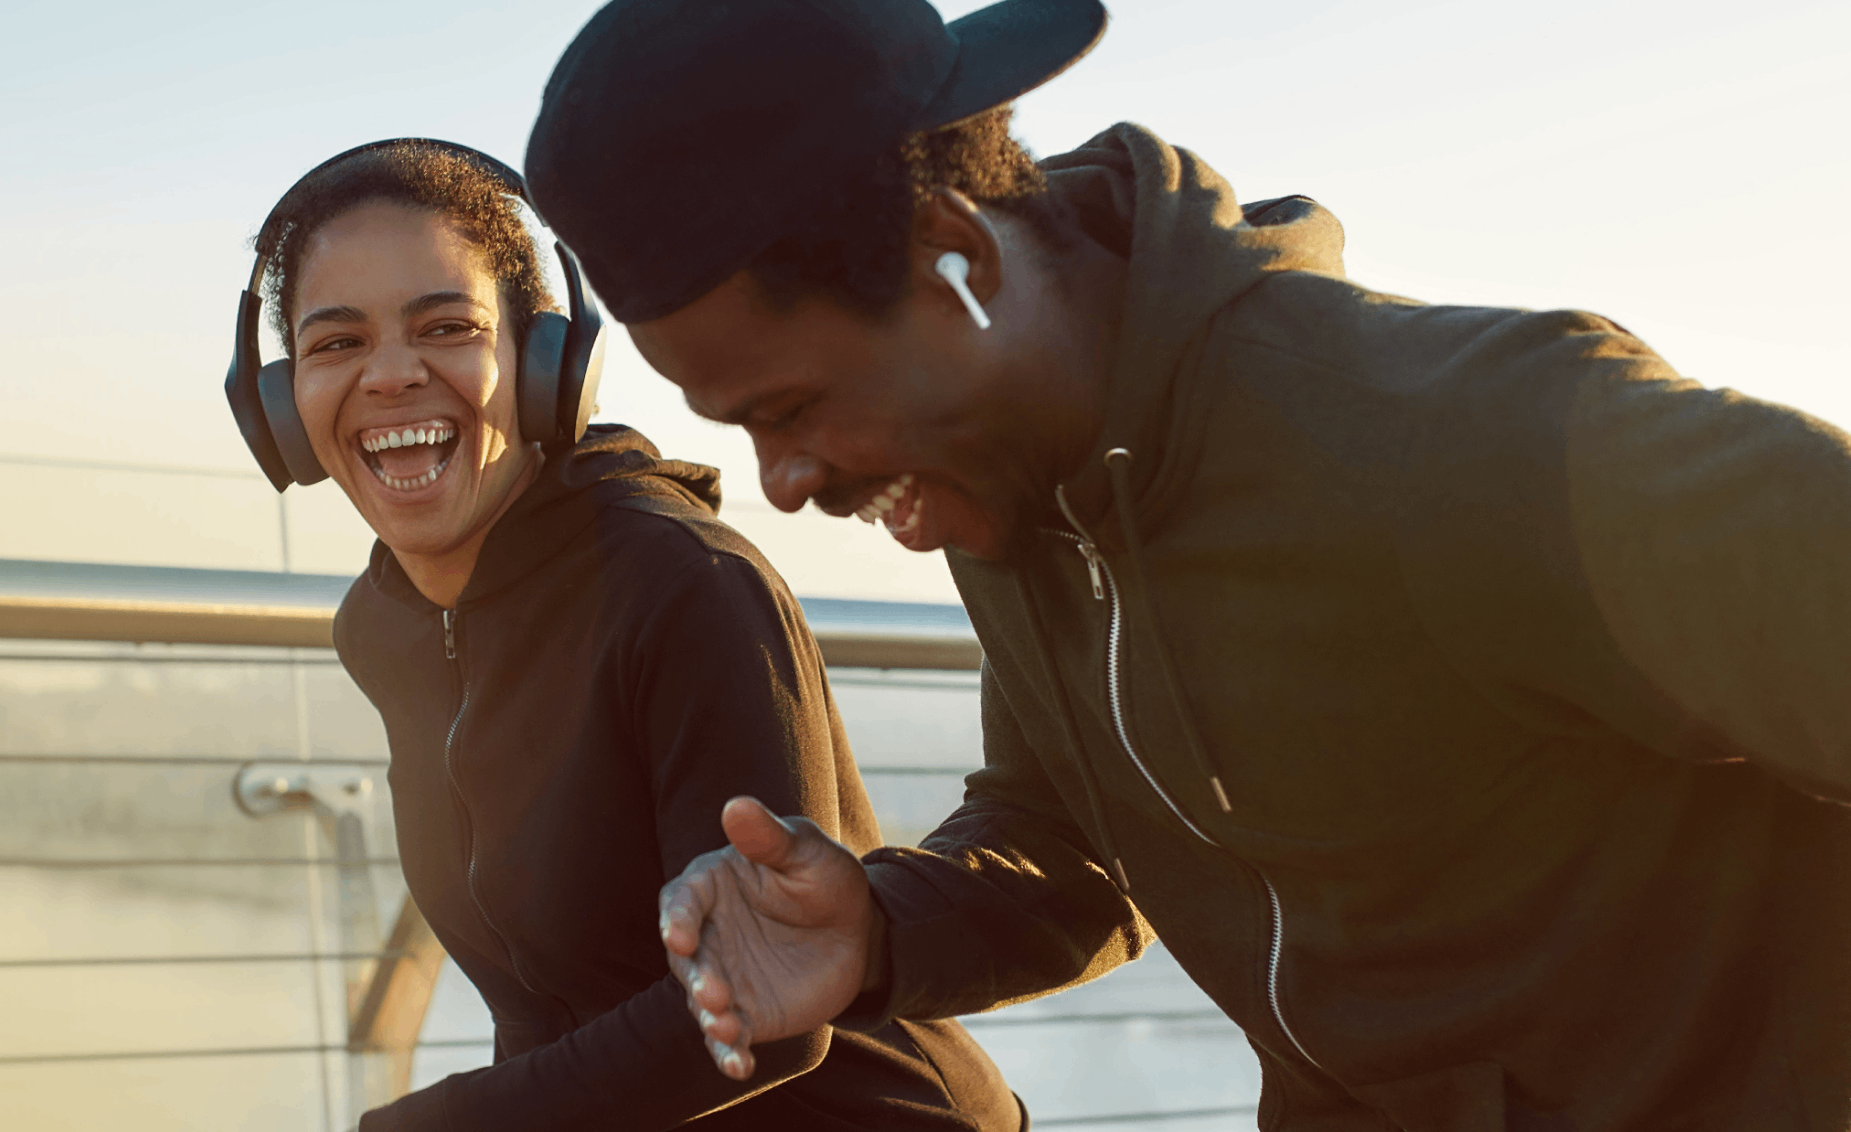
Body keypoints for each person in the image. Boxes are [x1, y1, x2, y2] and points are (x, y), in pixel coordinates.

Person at [521, 1, 1851, 1128]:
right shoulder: (1019, 497)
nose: (787, 486)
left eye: (791, 411)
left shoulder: (1469, 438)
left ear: (960, 259)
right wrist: (874, 930)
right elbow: (1074, 852)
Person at [234, 140, 1026, 1130]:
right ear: (279, 404)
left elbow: (766, 1017)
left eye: (446, 326)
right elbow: (544, 1008)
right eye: (337, 343)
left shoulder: (686, 587)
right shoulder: (386, 624)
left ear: (541, 361)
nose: (391, 374)